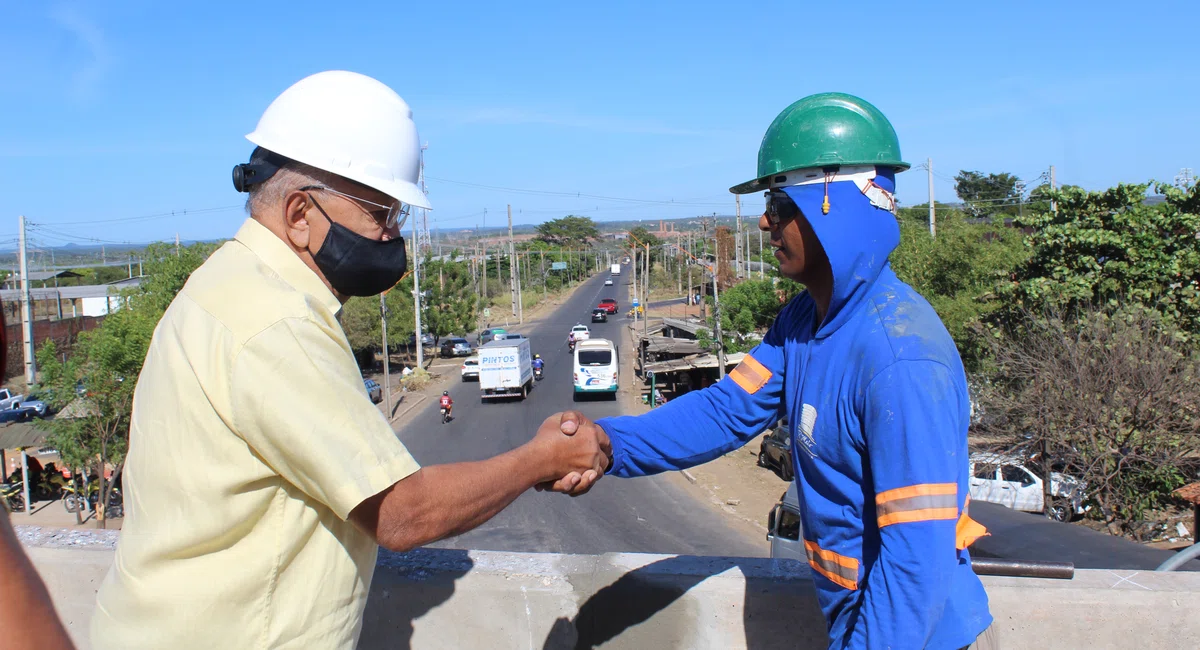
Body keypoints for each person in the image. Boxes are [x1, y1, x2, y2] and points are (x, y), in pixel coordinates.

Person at [90, 71, 608, 650]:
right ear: (298, 214)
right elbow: (402, 515)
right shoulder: (277, 324)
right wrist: (543, 457)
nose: (391, 237)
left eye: (396, 216)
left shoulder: (225, 286)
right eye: (379, 214)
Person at [547, 94, 995, 649]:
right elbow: (726, 410)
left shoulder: (900, 359)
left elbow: (914, 566)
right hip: (854, 622)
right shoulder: (805, 320)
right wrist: (607, 442)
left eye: (780, 204)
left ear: (838, 203)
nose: (764, 222)